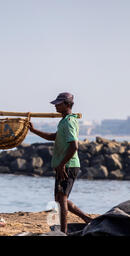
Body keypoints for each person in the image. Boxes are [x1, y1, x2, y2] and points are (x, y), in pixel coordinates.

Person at [28, 92, 93, 233]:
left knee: (62, 198)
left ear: (67, 104)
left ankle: (63, 232)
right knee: (59, 198)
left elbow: (74, 146)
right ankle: (87, 219)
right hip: (63, 165)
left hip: (68, 165)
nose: (56, 106)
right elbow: (53, 137)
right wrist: (33, 130)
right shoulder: (63, 121)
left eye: (59, 103)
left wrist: (62, 164)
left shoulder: (70, 121)